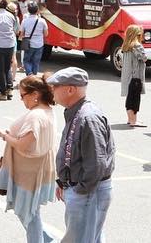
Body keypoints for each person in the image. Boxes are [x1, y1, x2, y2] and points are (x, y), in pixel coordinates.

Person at [49, 67, 114, 243]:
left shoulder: (88, 117)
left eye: (55, 86)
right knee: (90, 237)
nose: (52, 90)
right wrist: (64, 181)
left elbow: (96, 163)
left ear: (70, 89)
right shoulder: (77, 112)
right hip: (83, 190)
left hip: (88, 192)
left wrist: (80, 190)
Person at [0, 75, 56, 243]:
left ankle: (43, 240)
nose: (21, 99)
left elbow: (23, 145)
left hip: (28, 173)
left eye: (23, 95)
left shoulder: (36, 116)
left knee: (29, 214)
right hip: (36, 170)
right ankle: (47, 239)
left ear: (35, 94)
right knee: (29, 212)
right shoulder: (46, 110)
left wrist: (3, 135)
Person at [120, 23, 148, 127]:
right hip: (135, 77)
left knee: (129, 98)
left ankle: (130, 119)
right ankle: (133, 121)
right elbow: (144, 58)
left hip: (127, 76)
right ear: (137, 35)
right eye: (140, 34)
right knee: (135, 100)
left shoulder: (126, 46)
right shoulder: (137, 46)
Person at [20, 4, 48, 77]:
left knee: (26, 60)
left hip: (28, 44)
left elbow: (22, 34)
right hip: (39, 44)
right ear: (37, 11)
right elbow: (46, 34)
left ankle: (29, 73)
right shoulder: (42, 21)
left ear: (28, 10)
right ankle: (34, 76)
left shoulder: (25, 21)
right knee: (36, 62)